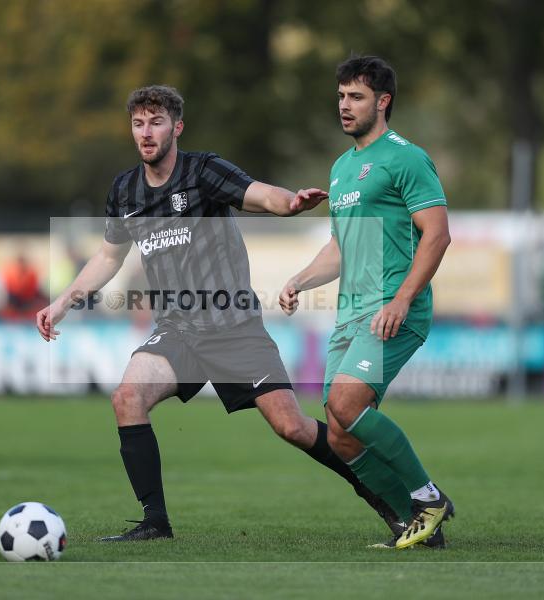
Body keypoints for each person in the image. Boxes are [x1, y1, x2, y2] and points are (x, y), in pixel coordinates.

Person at [37, 85, 403, 541]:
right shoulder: (124, 190)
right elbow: (110, 256)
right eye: (138, 124)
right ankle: (155, 523)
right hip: (178, 330)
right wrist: (63, 301)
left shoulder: (202, 171)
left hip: (233, 327)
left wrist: (287, 203)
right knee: (127, 398)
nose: (146, 133)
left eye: (156, 122)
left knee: (291, 426)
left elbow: (256, 193)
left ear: (177, 127)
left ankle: (383, 494)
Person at [280, 56, 454, 549]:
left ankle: (428, 497)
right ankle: (415, 526)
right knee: (339, 432)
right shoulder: (341, 168)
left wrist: (402, 299)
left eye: (355, 97)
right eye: (340, 96)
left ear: (383, 102)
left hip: (392, 310)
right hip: (350, 314)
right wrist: (300, 279)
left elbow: (437, 236)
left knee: (345, 402)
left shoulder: (407, 158)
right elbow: (339, 248)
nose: (344, 106)